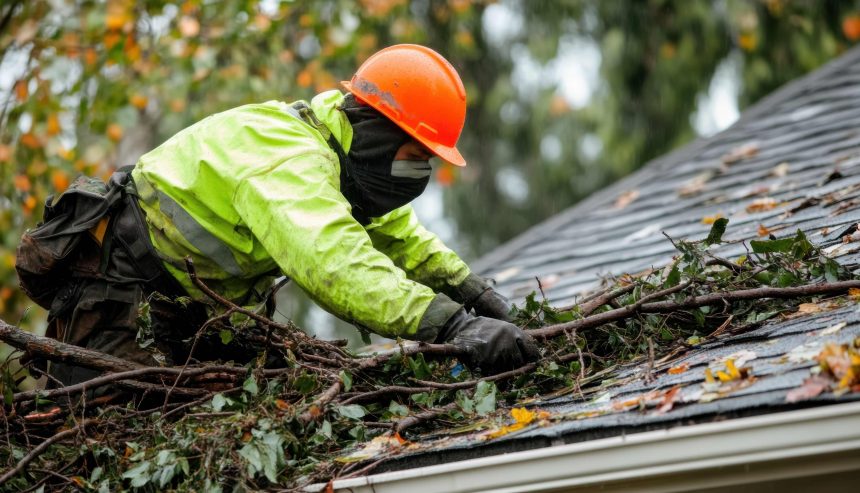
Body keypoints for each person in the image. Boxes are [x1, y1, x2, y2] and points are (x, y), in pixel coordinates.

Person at [18, 44, 539, 387]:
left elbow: (397, 235)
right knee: (113, 426)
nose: (420, 174)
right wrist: (452, 325)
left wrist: (476, 294)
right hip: (117, 293)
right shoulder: (292, 159)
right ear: (380, 133)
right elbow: (335, 262)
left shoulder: (339, 156)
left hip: (192, 307)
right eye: (417, 157)